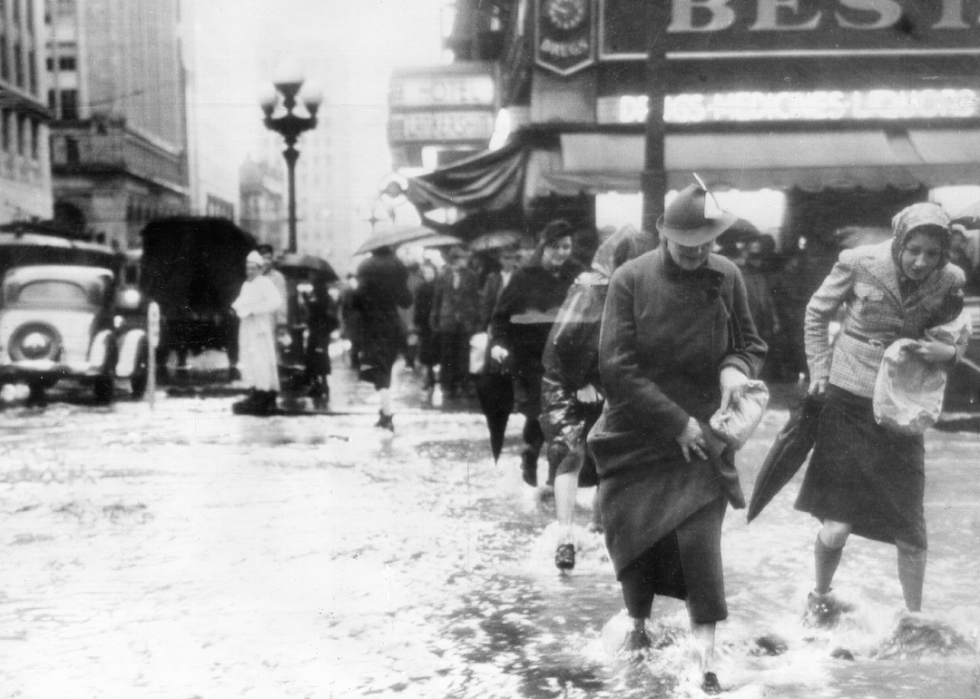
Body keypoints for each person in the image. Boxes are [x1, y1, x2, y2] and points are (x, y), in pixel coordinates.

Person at [587, 183, 766, 694]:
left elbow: (751, 343)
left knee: (699, 542)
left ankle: (705, 663)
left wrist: (734, 369)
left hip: (706, 432)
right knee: (635, 542)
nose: (695, 254)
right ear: (663, 235)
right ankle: (637, 629)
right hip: (637, 431)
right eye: (685, 245)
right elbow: (615, 367)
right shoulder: (630, 279)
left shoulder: (727, 275)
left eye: (705, 244)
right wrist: (675, 424)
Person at [797, 202, 967, 622]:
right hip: (849, 398)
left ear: (943, 254)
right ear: (899, 241)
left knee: (910, 530)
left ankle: (914, 619)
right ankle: (819, 597)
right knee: (837, 527)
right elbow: (817, 312)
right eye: (914, 250)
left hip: (903, 405)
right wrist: (819, 369)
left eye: (932, 253)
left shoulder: (951, 280)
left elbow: (953, 332)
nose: (921, 261)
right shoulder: (859, 263)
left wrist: (950, 354)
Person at [541, 224, 656, 571]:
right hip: (563, 379)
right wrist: (580, 382)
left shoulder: (629, 291)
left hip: (604, 380)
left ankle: (597, 527)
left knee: (613, 451)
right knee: (569, 452)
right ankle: (565, 536)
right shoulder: (591, 287)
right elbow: (562, 342)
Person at [489, 219, 585, 487]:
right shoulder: (524, 276)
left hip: (567, 357)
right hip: (531, 358)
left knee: (563, 415)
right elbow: (501, 316)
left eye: (566, 247)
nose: (561, 253)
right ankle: (531, 453)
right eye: (555, 247)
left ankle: (555, 477)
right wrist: (497, 342)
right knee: (540, 410)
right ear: (544, 246)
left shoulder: (578, 274)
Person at [352, 245, 413, 431]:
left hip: (371, 326)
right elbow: (406, 300)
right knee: (384, 367)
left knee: (378, 370)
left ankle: (386, 415)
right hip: (392, 325)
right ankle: (384, 412)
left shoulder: (365, 267)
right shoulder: (397, 266)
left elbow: (356, 300)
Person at [231, 251, 284, 415]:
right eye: (248, 269)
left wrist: (256, 310)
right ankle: (254, 391)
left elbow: (276, 302)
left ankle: (265, 392)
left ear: (260, 269)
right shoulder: (246, 285)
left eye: (253, 269)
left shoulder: (265, 283)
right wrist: (235, 308)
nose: (250, 272)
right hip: (247, 327)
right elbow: (241, 301)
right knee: (249, 360)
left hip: (259, 328)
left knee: (261, 361)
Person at [430, 246, 481, 400]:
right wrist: (434, 317)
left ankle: (463, 384)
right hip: (447, 320)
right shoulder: (443, 275)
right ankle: (448, 386)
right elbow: (437, 298)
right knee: (447, 355)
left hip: (465, 321)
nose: (466, 261)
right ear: (454, 259)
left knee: (463, 354)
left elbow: (475, 298)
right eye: (462, 258)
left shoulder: (471, 276)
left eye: (466, 258)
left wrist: (475, 317)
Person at [412, 262, 439, 391]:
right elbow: (417, 307)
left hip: (436, 323)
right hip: (424, 324)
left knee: (435, 351)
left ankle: (435, 377)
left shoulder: (439, 287)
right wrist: (417, 322)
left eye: (431, 273)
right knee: (426, 352)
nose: (429, 275)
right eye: (426, 273)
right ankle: (429, 378)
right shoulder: (420, 288)